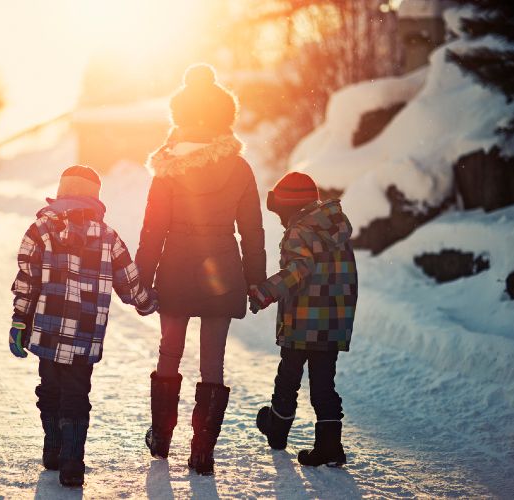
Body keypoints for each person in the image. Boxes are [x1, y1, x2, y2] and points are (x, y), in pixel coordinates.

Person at [135, 64, 266, 475]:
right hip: (223, 273)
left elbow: (153, 229)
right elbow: (252, 232)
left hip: (174, 271)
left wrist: (141, 279)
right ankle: (202, 451)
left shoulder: (169, 169)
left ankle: (162, 437)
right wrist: (256, 281)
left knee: (169, 353)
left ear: (181, 117)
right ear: (224, 117)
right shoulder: (240, 168)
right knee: (213, 362)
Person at [9, 165, 158, 488]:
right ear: (95, 198)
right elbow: (129, 281)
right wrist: (147, 303)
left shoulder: (39, 231)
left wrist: (20, 320)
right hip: (84, 335)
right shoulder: (107, 236)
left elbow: (26, 280)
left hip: (47, 333)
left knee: (49, 389)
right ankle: (72, 462)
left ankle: (53, 448)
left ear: (61, 193)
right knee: (76, 394)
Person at [248, 172, 358, 467]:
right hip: (332, 322)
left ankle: (277, 429)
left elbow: (298, 270)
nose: (281, 220)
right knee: (324, 384)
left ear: (289, 208)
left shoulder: (299, 231)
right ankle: (330, 445)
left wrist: (264, 293)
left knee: (288, 378)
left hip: (302, 322)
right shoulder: (335, 229)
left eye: (281, 212)